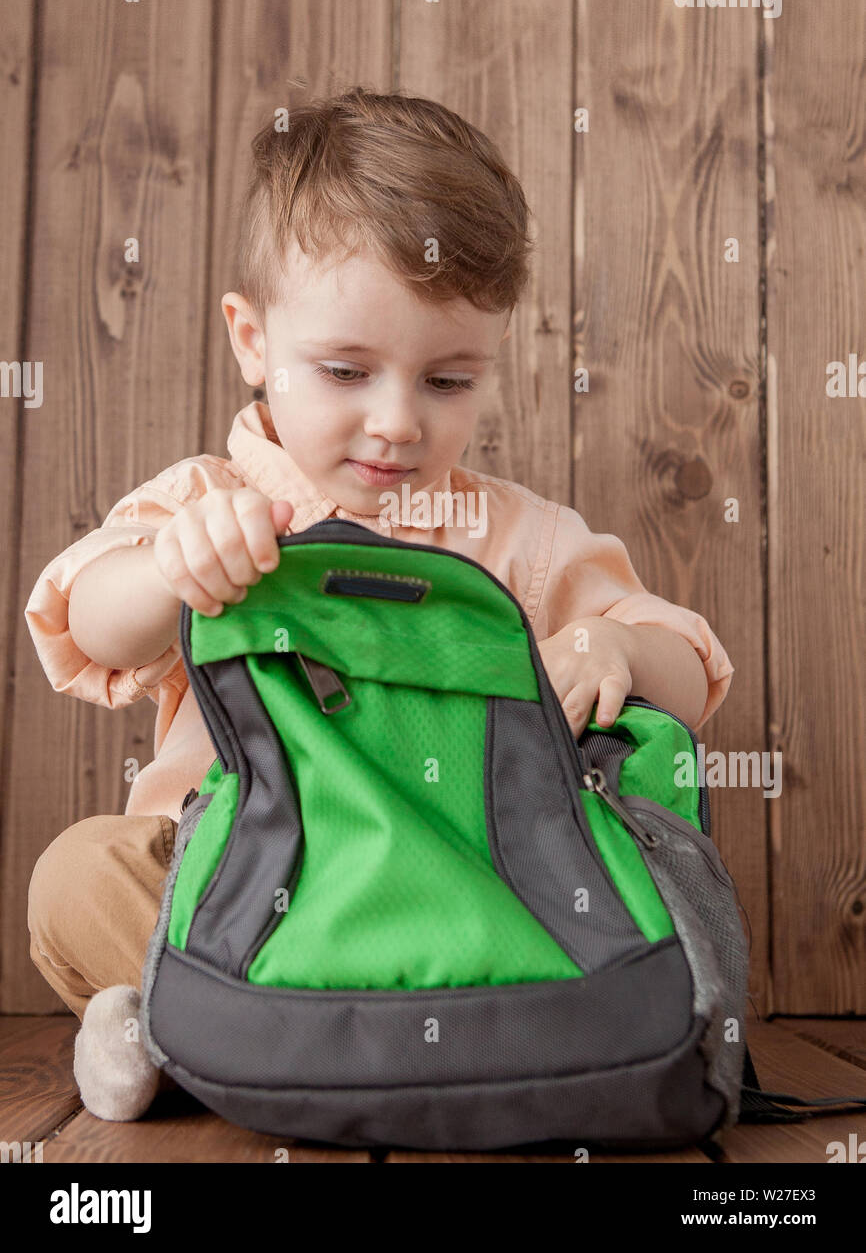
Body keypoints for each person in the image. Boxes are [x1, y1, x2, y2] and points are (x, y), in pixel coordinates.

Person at [24, 87, 734, 1121]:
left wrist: (607, 642)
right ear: (252, 339)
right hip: (235, 903)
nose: (395, 422)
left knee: (595, 897)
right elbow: (85, 618)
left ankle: (237, 1045)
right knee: (76, 875)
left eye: (448, 380)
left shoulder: (517, 542)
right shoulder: (211, 505)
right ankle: (185, 1013)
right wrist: (173, 567)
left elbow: (689, 673)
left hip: (450, 896)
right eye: (346, 370)